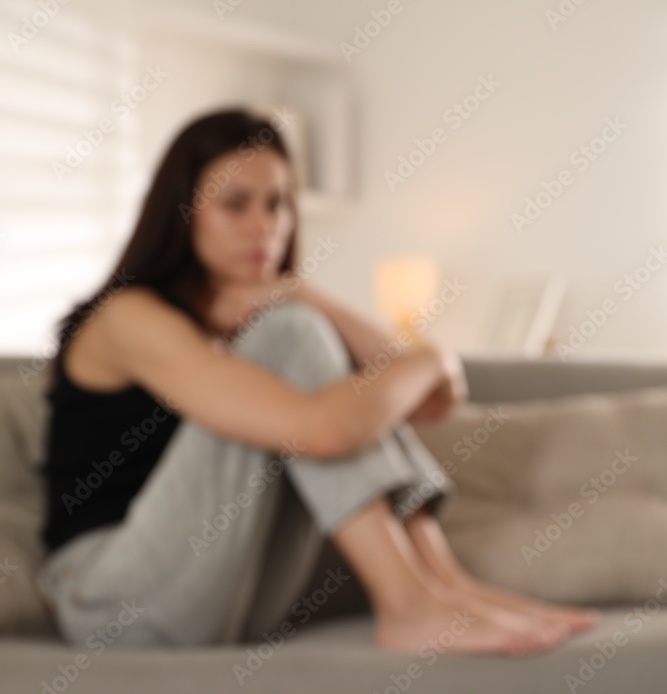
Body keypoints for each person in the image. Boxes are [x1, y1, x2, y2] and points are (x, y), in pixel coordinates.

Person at [36, 108, 598, 655]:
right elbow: (329, 429)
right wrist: (432, 354)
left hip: (226, 589)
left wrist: (302, 292)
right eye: (236, 204)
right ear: (181, 213)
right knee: (296, 344)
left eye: (279, 204)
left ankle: (446, 586)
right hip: (111, 597)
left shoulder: (253, 316)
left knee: (337, 371)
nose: (266, 227)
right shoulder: (127, 315)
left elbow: (430, 398)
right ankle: (407, 603)